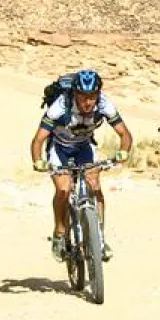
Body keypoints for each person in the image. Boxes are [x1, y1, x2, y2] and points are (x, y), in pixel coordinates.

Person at [30, 69, 131, 263]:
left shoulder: (104, 104)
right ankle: (60, 232)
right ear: (74, 94)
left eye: (92, 97)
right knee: (63, 189)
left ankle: (99, 238)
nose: (88, 102)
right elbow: (38, 139)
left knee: (95, 186)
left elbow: (124, 134)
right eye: (83, 97)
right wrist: (37, 161)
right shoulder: (60, 107)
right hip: (59, 148)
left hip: (84, 147)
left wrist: (123, 151)